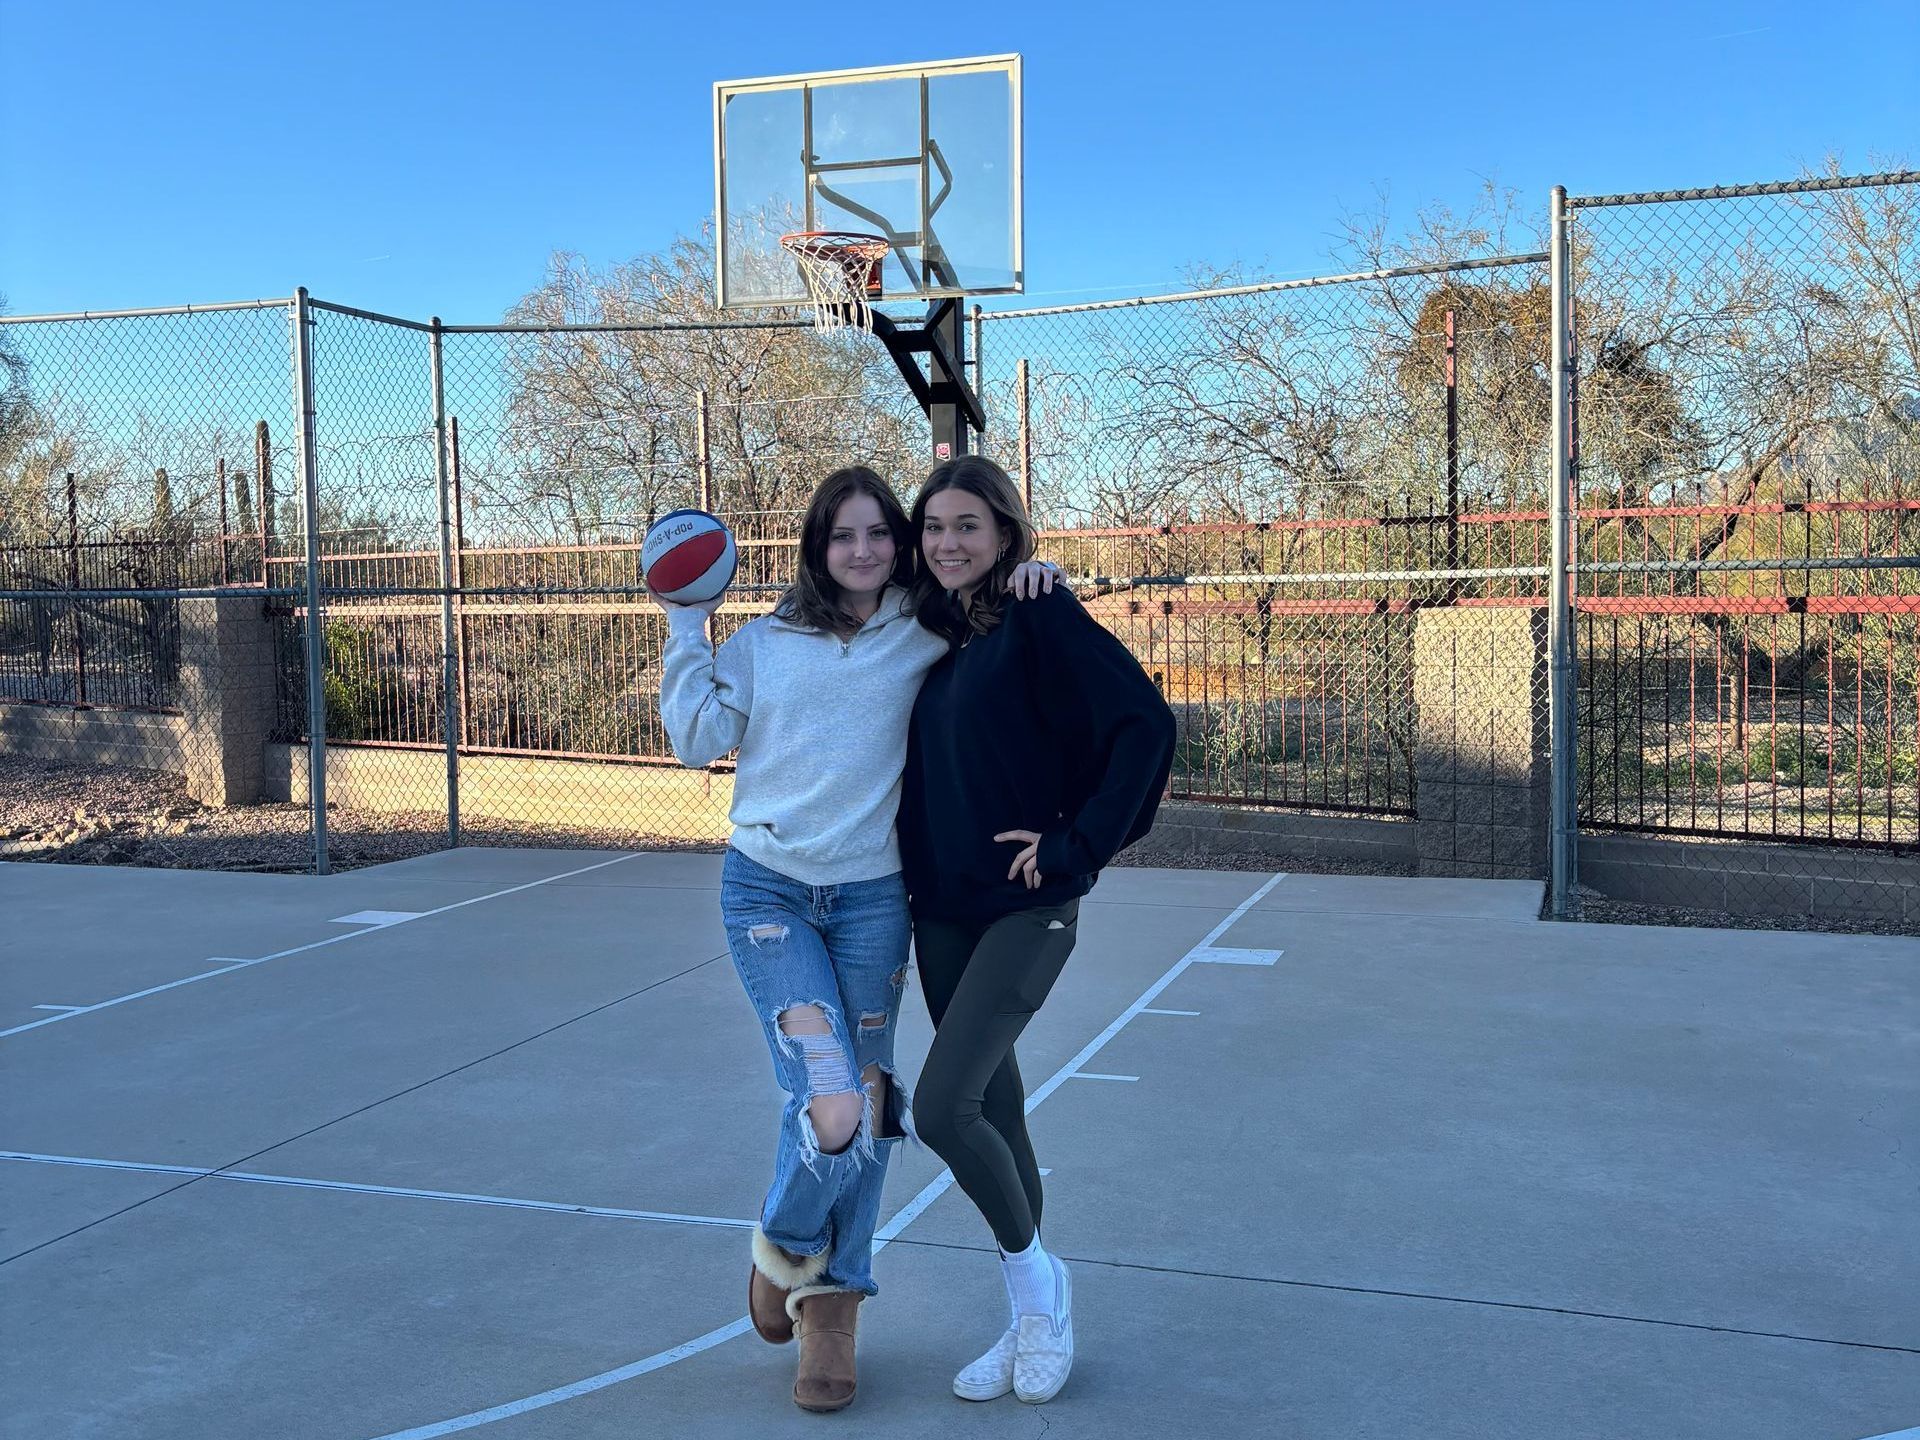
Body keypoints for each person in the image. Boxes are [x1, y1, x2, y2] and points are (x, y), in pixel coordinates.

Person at [655, 465, 1055, 1414]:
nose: (866, 551)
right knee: (831, 1100)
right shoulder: (763, 644)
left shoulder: (923, 627)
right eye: (845, 536)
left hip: (873, 899)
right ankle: (784, 1247)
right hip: (770, 895)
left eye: (883, 533)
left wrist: (1045, 577)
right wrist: (683, 624)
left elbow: (990, 586)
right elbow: (692, 740)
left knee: (870, 1105)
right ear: (816, 547)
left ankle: (832, 1317)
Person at [898, 455, 1176, 1406]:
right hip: (941, 909)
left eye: (968, 526)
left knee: (942, 1110)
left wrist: (1076, 845)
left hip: (1027, 902)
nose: (948, 543)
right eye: (933, 527)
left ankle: (1039, 1286)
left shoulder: (1039, 614)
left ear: (1008, 533)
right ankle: (1029, 1320)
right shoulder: (928, 628)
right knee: (999, 1111)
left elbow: (1145, 725)